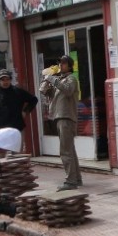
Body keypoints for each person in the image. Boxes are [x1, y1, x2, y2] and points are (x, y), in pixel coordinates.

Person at [44, 55, 82, 191]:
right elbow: (43, 91)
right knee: (70, 149)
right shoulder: (59, 79)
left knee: (65, 151)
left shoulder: (71, 79)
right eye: (60, 63)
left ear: (70, 66)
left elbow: (68, 90)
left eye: (64, 63)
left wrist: (53, 80)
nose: (61, 65)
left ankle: (71, 181)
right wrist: (49, 78)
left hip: (66, 117)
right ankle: (76, 178)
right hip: (59, 117)